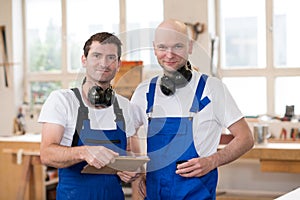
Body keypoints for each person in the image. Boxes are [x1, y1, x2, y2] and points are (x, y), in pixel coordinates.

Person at [130, 19, 254, 199]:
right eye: (162, 47)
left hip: (198, 194)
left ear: (190, 47)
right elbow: (126, 134)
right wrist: (138, 171)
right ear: (154, 48)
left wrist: (212, 161)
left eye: (177, 46)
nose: (169, 54)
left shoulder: (212, 88)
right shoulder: (144, 91)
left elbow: (246, 138)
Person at [38, 32, 141, 200]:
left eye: (111, 57)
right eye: (97, 55)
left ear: (118, 64)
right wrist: (83, 152)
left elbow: (129, 151)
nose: (104, 63)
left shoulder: (124, 106)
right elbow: (47, 154)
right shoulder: (63, 100)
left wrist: (131, 169)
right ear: (84, 60)